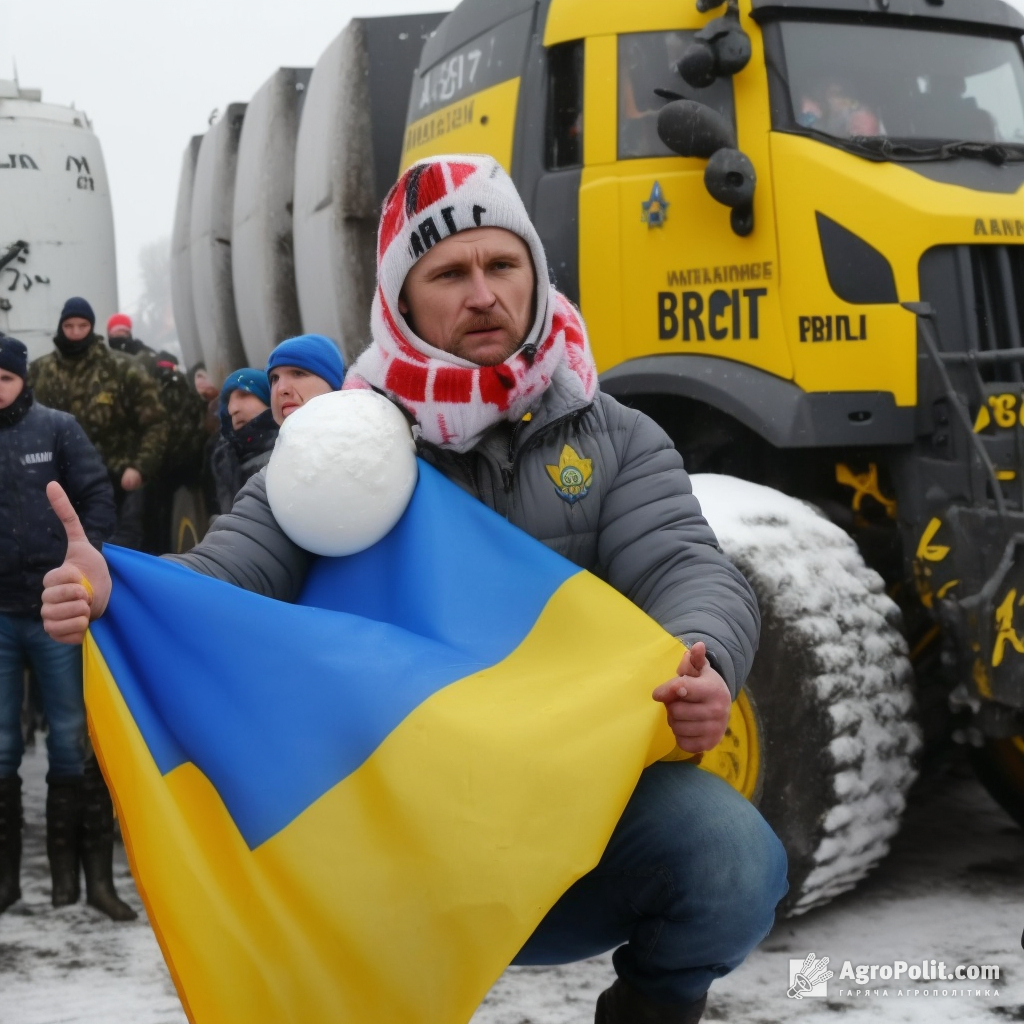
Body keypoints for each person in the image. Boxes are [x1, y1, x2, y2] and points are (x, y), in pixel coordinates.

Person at [39, 155, 787, 1023]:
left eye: (502, 266)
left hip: (572, 811)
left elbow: (687, 566)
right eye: (449, 273)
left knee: (734, 861)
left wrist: (708, 659)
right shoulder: (338, 447)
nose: (483, 295)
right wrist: (118, 589)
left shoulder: (616, 437)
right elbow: (228, 573)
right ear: (402, 298)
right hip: (393, 832)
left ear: (535, 276)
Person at [0, 335, 136, 921]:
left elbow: (97, 495)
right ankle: (7, 883)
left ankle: (79, 885)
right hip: (0, 618)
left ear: (21, 379)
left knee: (71, 739)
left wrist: (89, 562)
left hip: (55, 616)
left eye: (3, 378)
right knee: (1, 745)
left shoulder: (56, 429)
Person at [30, 297, 168, 550]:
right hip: (57, 487)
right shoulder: (41, 371)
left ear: (91, 327)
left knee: (116, 554)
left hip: (117, 484)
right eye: (69, 326)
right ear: (61, 327)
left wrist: (139, 467)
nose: (75, 333)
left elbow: (155, 422)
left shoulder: (121, 368)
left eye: (82, 326)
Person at [209, 369, 278, 515]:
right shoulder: (223, 457)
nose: (233, 409)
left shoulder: (292, 446)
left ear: (268, 397)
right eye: (228, 402)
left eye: (244, 395)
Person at [265, 333, 345, 425]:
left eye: (298, 373)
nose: (281, 389)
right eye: (274, 378)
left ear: (333, 384)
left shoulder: (359, 436)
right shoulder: (255, 437)